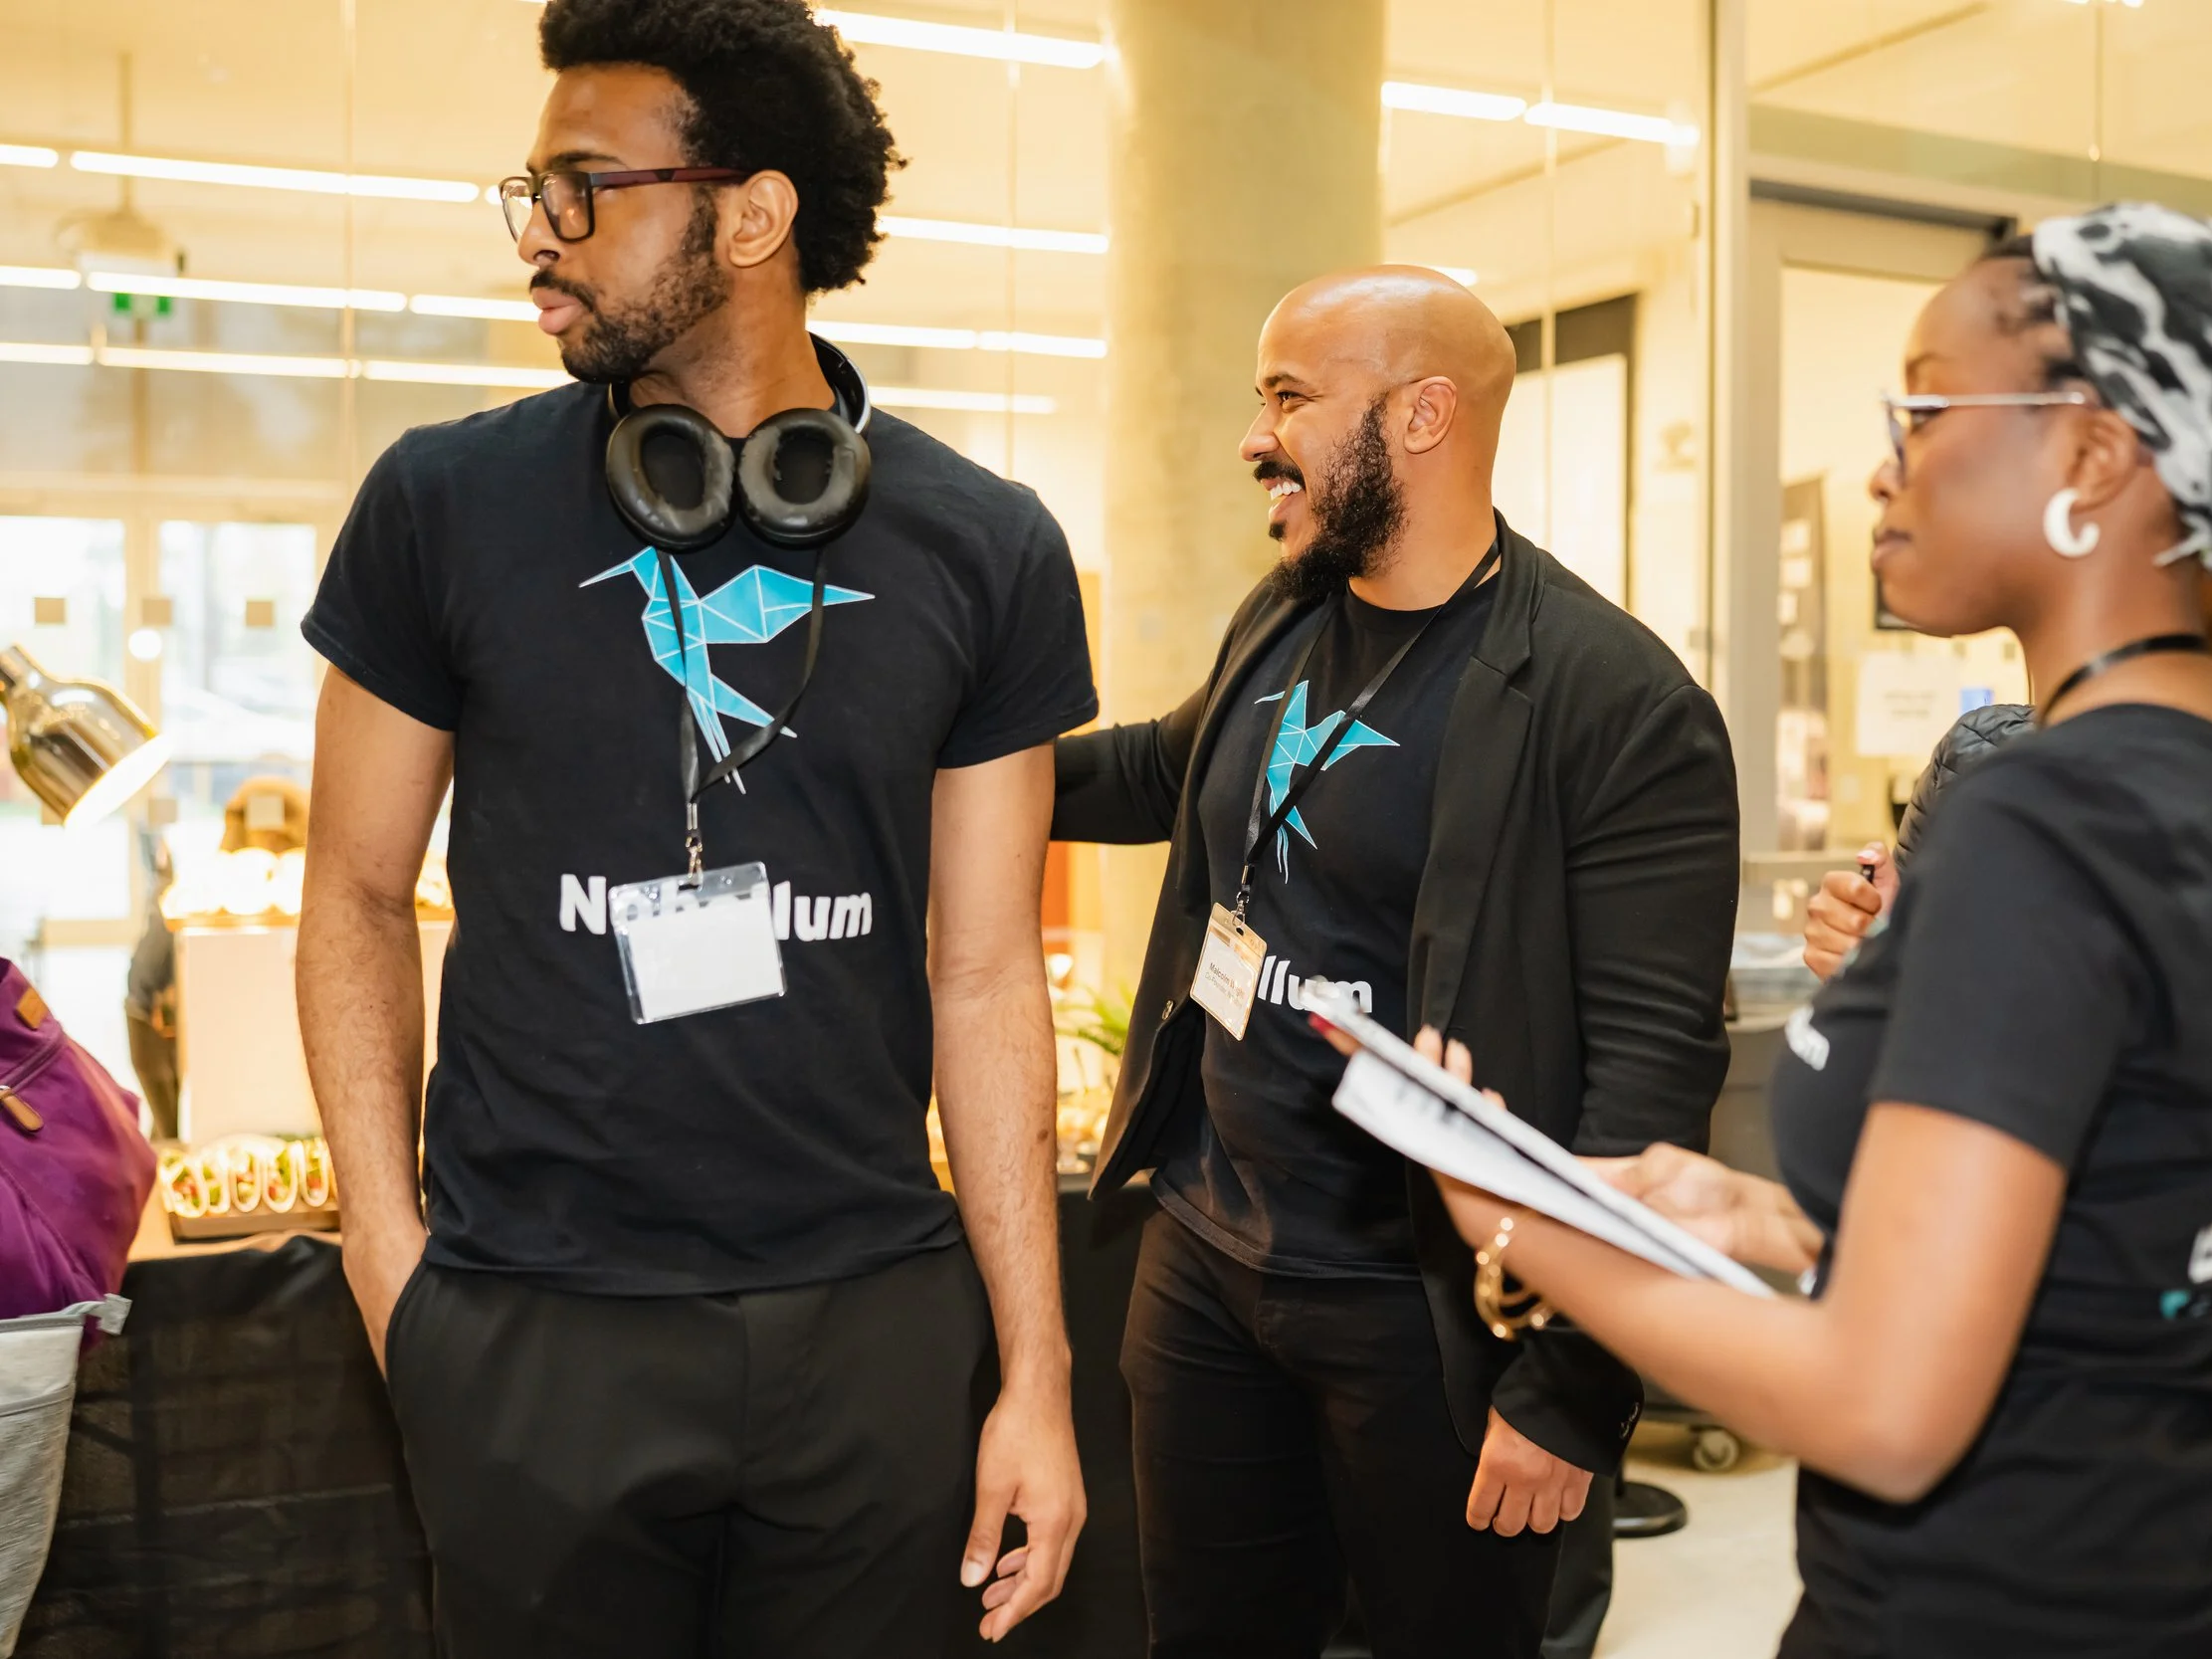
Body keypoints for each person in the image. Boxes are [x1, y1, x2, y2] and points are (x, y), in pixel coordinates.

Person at [1359, 205, 2212, 1658]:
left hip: (2008, 1589)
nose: (1883, 465)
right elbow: (2117, 1205)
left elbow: (1886, 1408)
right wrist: (1747, 1212)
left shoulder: (2050, 821)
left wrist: (1514, 1216)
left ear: (2091, 458)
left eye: (1928, 408)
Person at [296, 2, 1094, 1651]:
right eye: (530, 192)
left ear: (752, 215)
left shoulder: (988, 546)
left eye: (584, 188)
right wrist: (391, 1264)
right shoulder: (440, 505)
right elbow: (355, 890)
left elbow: (987, 970)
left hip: (871, 1324)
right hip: (531, 1319)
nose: (539, 234)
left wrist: (1036, 1367)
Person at [1052, 267, 1739, 1658]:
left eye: (1289, 398)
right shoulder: (1286, 614)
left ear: (1422, 415)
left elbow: (1652, 1080)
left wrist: (1569, 1385)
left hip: (1424, 1310)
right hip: (1209, 1251)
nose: (1255, 438)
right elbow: (1152, 771)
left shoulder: (1614, 700)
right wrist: (921, 757)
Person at [1807, 570, 2212, 1561]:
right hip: (1975, 1357)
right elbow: (1911, 1057)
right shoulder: (1983, 758)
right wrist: (1865, 967)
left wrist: (2203, 1197)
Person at [124, 775, 310, 1139]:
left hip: (164, 1021)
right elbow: (147, 981)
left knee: (172, 1132)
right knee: (171, 1133)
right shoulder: (207, 893)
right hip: (154, 1023)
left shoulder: (258, 887)